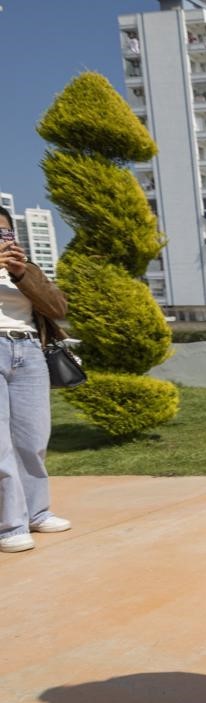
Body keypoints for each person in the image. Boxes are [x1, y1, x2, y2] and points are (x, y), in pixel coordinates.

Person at [0, 206, 72, 554]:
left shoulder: (25, 269)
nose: (2, 240)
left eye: (5, 232)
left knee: (33, 438)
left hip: (28, 349)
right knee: (0, 446)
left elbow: (58, 308)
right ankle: (9, 524)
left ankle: (36, 512)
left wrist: (21, 274)